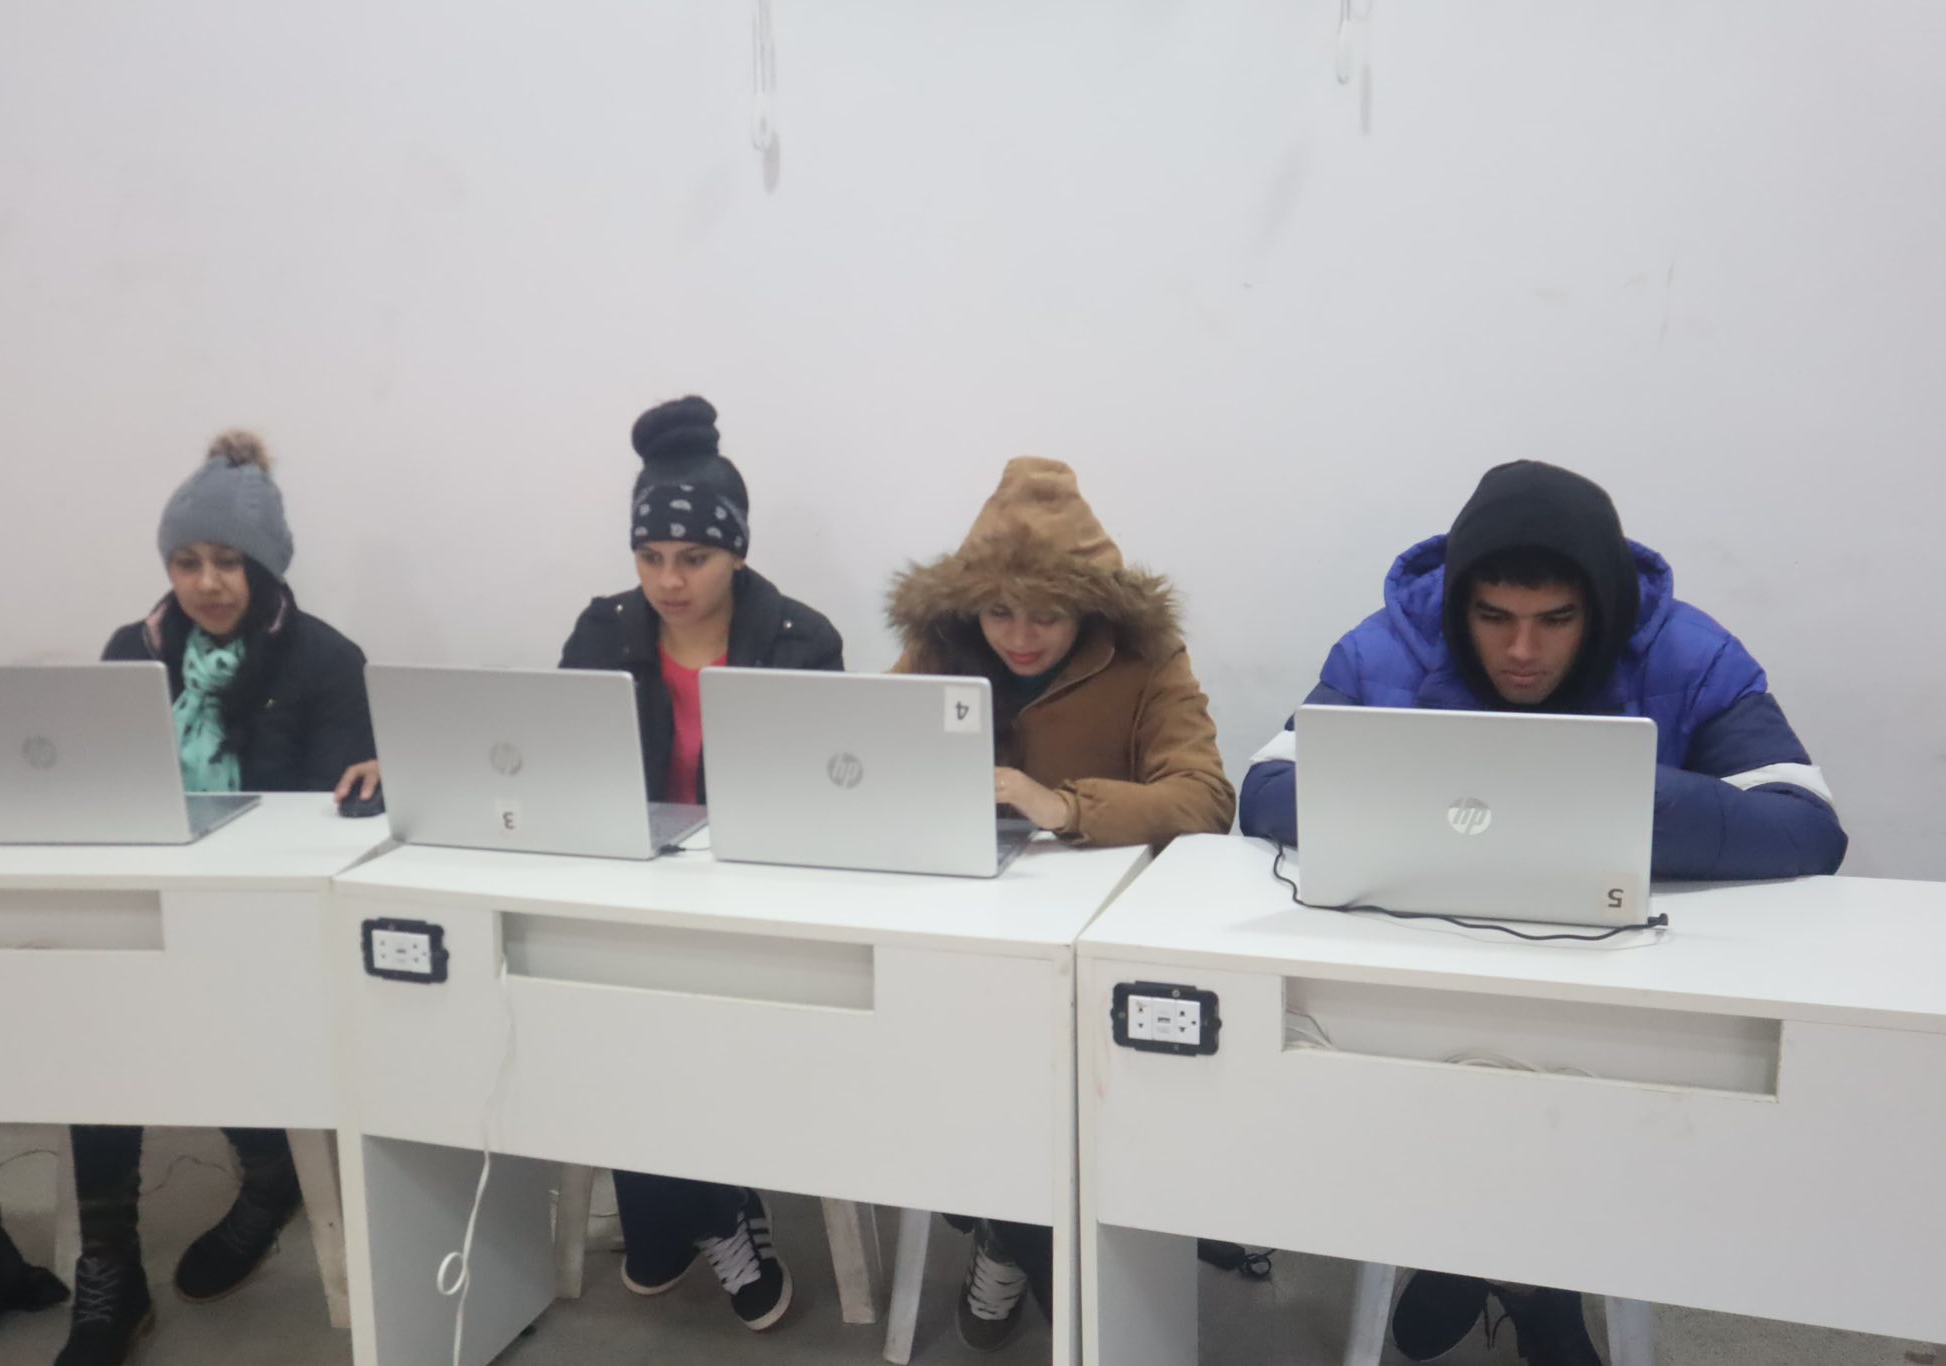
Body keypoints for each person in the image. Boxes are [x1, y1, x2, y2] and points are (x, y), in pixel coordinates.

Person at [1239, 459, 1847, 1365]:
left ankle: (1490, 1264)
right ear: (1459, 604)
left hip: (1621, 976)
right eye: (1494, 617)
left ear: (1600, 607)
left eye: (1556, 620)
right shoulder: (1387, 646)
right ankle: (1524, 1279)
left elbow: (1806, 824)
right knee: (1408, 1064)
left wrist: (1599, 796)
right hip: (1431, 970)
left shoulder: (1691, 653)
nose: (1522, 649)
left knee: (1583, 1080)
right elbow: (1265, 789)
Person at [886, 456, 1236, 1351]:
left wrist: (1068, 806)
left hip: (1098, 946)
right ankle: (1013, 1225)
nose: (1019, 636)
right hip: (967, 929)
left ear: (1091, 607)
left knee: (1049, 1078)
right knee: (954, 1052)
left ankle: (1012, 1233)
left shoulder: (1146, 655)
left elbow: (1206, 796)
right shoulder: (939, 648)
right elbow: (873, 756)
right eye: (998, 611)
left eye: (1046, 613)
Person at [59, 432, 379, 1366]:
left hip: (270, 922)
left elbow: (340, 827)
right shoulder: (134, 653)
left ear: (266, 567)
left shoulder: (325, 659)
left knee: (185, 997)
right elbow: (99, 784)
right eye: (187, 561)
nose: (207, 583)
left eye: (228, 562)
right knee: (93, 1017)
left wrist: (374, 779)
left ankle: (272, 1174)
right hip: (154, 904)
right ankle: (109, 1260)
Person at [556, 395, 841, 1332]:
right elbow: (563, 766)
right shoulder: (603, 632)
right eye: (649, 557)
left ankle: (688, 1210)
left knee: (667, 1020)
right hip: (629, 893)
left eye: (693, 558)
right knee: (603, 1007)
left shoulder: (802, 641)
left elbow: (825, 798)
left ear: (738, 553)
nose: (667, 581)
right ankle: (717, 1207)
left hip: (751, 900)